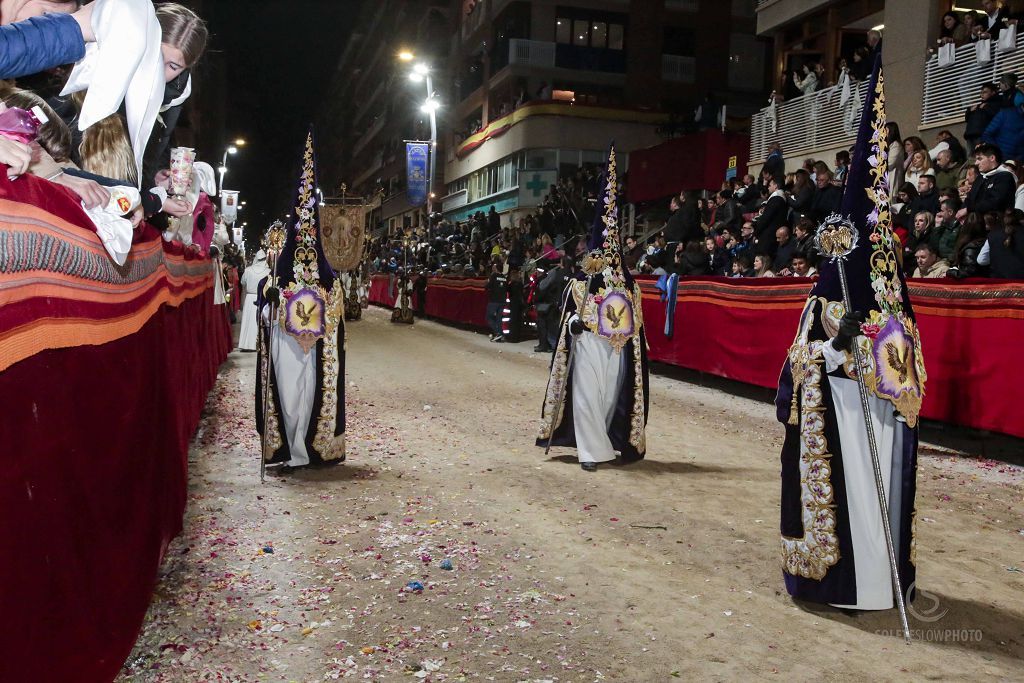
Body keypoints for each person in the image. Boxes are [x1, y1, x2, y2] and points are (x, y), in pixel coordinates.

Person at [778, 57, 921, 612]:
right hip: (845, 405)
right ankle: (859, 582)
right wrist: (834, 348)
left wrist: (851, 349)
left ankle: (872, 582)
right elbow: (805, 357)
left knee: (876, 491)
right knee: (857, 491)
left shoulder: (886, 285)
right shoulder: (836, 284)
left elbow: (904, 353)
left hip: (873, 410)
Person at [537, 144, 648, 472]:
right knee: (585, 396)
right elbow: (567, 313)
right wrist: (573, 323)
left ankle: (607, 442)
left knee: (608, 399)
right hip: (587, 344)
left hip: (616, 348)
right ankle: (590, 451)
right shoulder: (580, 283)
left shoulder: (630, 286)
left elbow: (637, 323)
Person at [256, 132, 346, 472]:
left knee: (311, 397)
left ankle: (310, 448)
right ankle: (290, 448)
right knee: (289, 397)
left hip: (315, 351)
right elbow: (266, 310)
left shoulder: (329, 281)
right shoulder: (274, 280)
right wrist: (276, 305)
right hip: (287, 346)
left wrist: (318, 325)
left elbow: (336, 316)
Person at [534, 255, 573, 353]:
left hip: (554, 304)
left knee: (549, 325)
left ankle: (550, 345)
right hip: (567, 306)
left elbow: (544, 286)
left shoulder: (556, 273)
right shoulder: (573, 276)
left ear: (562, 264)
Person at [238, 248, 271, 351]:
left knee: (249, 321)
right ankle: (261, 344)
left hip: (250, 298)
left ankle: (247, 344)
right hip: (262, 298)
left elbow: (242, 282)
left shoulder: (248, 270)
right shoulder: (269, 271)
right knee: (260, 321)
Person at [484, 261, 507, 342]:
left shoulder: (494, 276)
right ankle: (500, 335)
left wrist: (486, 284)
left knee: (489, 317)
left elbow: (488, 286)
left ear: (496, 268)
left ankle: (498, 333)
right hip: (502, 301)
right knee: (499, 319)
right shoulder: (504, 277)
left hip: (494, 300)